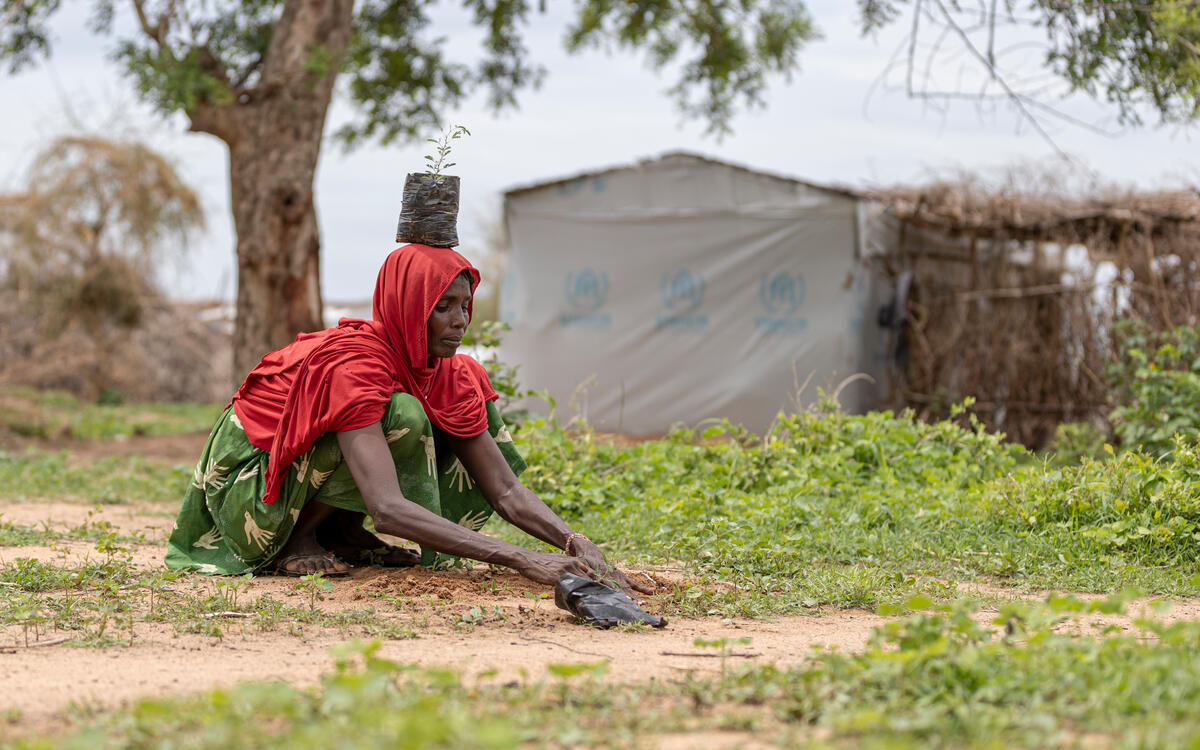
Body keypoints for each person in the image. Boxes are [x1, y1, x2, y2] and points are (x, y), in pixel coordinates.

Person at [166, 244, 647, 595]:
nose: (460, 320)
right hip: (251, 493)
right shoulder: (354, 365)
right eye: (443, 307)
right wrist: (520, 558)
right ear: (408, 306)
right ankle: (297, 536)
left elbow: (504, 490)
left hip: (302, 480)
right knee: (403, 415)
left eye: (464, 305)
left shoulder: (447, 372)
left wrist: (575, 542)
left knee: (449, 404)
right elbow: (388, 508)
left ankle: (341, 534)